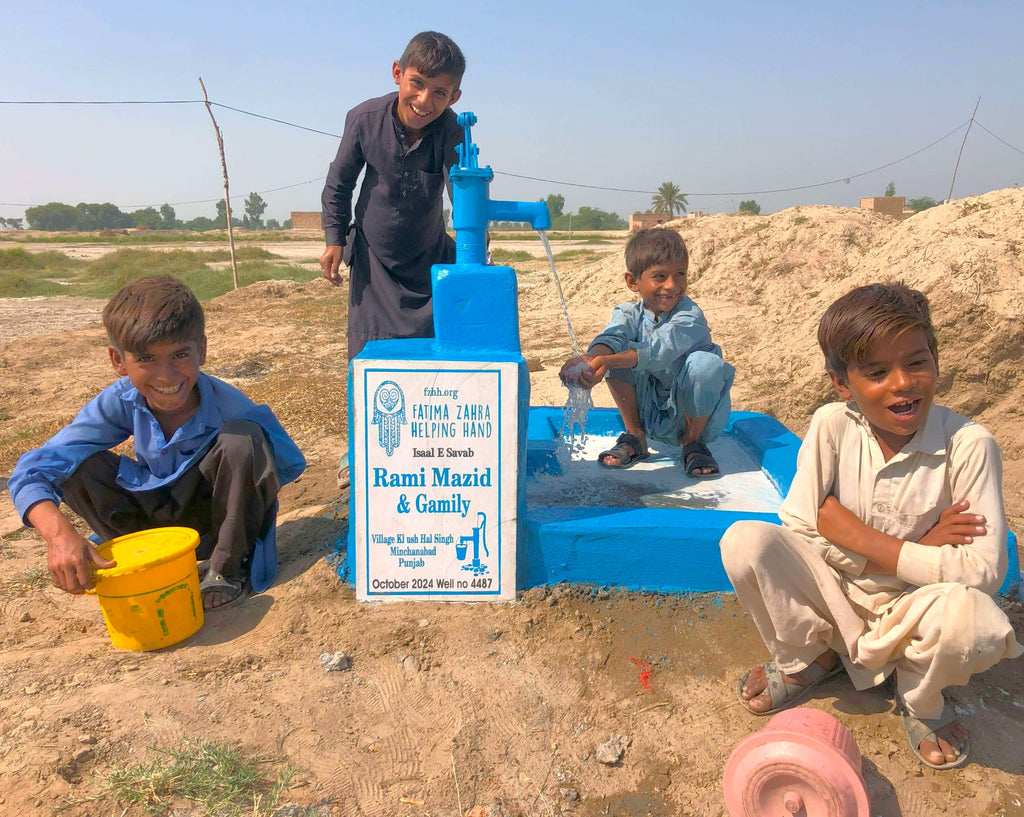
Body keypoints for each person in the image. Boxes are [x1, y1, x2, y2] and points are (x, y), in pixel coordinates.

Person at [720, 282, 1022, 769]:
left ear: (936, 361)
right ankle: (808, 660)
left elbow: (985, 573)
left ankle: (920, 696)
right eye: (877, 372)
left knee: (977, 622)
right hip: (836, 592)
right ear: (844, 384)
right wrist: (921, 548)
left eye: (916, 362)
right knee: (746, 541)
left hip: (912, 605)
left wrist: (863, 538)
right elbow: (798, 523)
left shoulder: (970, 445)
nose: (902, 383)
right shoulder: (832, 426)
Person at [7, 276, 306, 610]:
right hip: (148, 525)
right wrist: (59, 534)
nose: (166, 376)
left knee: (243, 440)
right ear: (118, 361)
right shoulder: (119, 401)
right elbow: (32, 469)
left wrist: (230, 478)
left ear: (202, 350)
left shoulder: (231, 406)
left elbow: (286, 463)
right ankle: (139, 564)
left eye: (180, 355)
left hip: (212, 527)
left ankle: (225, 570)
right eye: (147, 359)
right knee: (79, 462)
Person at [320, 30, 465, 359]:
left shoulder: (452, 131)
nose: (424, 100)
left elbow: (463, 194)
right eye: (417, 83)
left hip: (430, 262)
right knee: (372, 362)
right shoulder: (364, 120)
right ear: (398, 73)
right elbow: (339, 184)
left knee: (432, 361)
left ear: (453, 97)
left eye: (439, 92)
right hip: (374, 268)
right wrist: (334, 239)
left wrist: (476, 243)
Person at [558, 228, 734, 476]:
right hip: (648, 409)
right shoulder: (629, 313)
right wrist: (592, 359)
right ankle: (635, 438)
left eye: (680, 274)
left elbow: (660, 349)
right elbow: (611, 337)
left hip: (691, 413)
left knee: (706, 364)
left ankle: (693, 444)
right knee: (617, 356)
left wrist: (607, 361)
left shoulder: (690, 315)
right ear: (633, 281)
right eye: (660, 276)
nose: (672, 286)